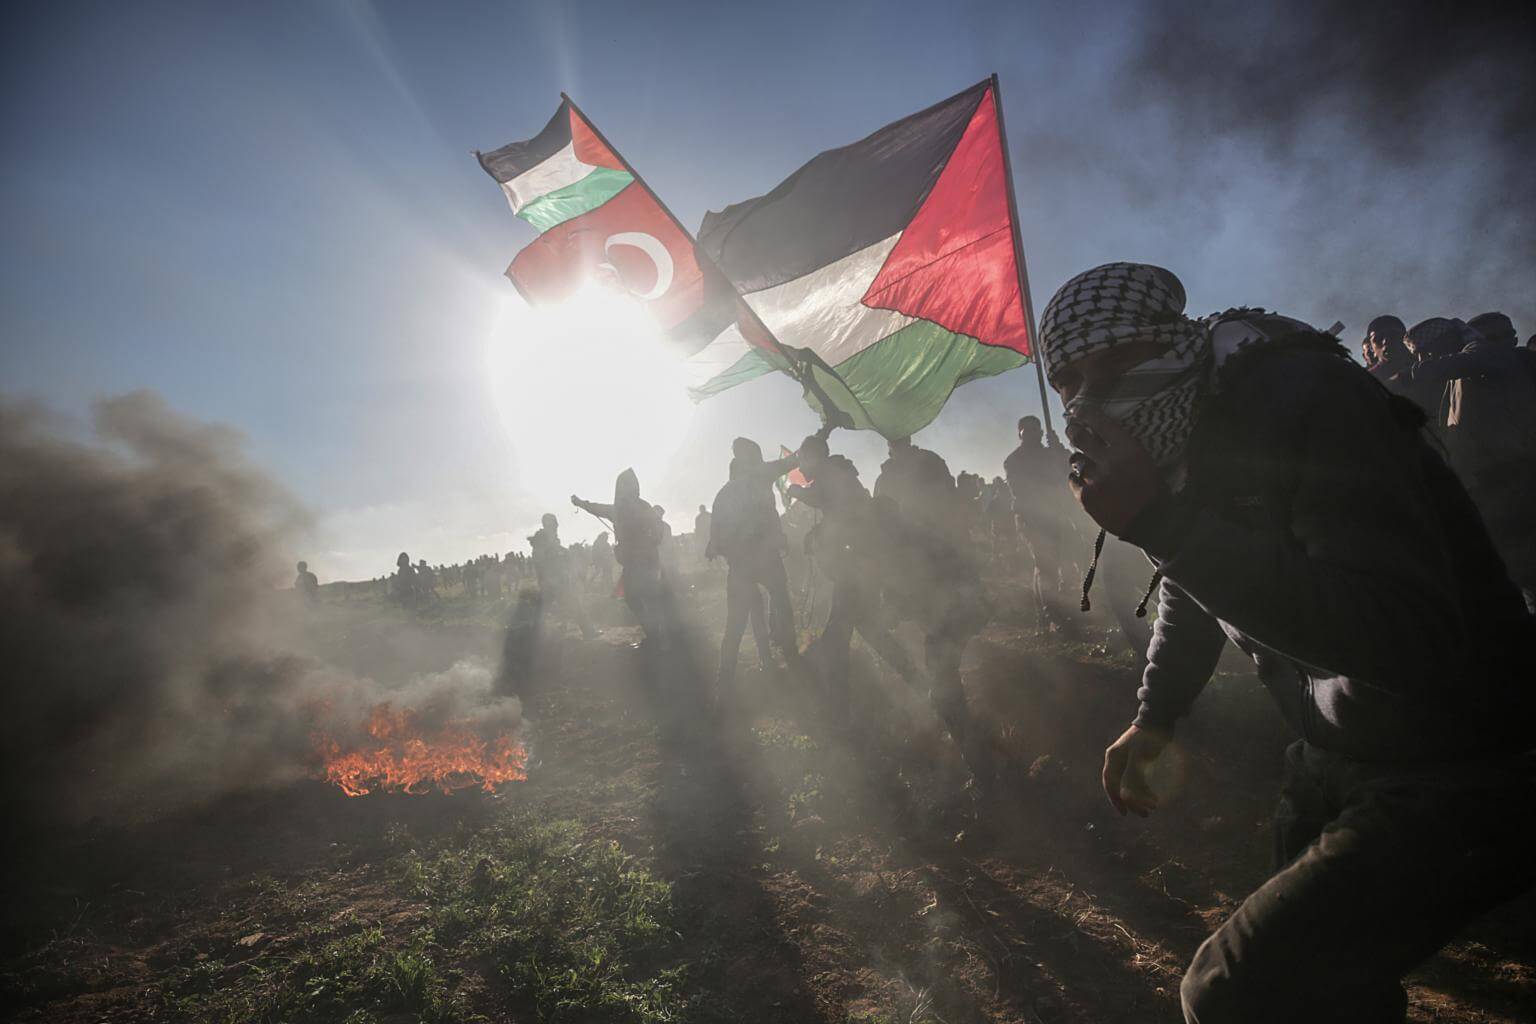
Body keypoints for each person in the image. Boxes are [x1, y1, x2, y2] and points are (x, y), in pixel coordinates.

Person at [1038, 261, 1536, 1024]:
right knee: (1332, 991)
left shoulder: (1303, 399)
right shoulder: (1193, 433)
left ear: (1174, 340)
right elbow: (1192, 588)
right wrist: (1156, 714)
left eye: (1117, 362)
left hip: (1466, 754)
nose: (1088, 399)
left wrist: (1161, 526)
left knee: (1236, 994)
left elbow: (1408, 639)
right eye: (1068, 381)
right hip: (1335, 747)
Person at [1403, 312, 1536, 609]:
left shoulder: (1487, 355)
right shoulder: (1462, 375)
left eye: (1426, 351)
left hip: (1516, 475)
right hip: (1488, 483)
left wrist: (1412, 372)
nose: (1422, 359)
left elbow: (1433, 368)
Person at [706, 449, 799, 689]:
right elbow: (790, 462)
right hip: (766, 559)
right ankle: (792, 661)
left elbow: (714, 537)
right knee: (780, 605)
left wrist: (719, 549)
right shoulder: (758, 478)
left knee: (736, 623)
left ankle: (725, 681)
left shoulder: (723, 494)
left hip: (740, 565)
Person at [573, 470, 669, 649]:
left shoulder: (629, 508)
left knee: (639, 598)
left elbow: (658, 527)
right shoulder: (635, 507)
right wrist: (581, 503)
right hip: (641, 561)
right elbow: (598, 508)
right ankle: (656, 636)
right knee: (639, 598)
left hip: (641, 561)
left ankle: (656, 637)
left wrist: (651, 542)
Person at [1003, 415, 1073, 629]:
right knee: (1045, 564)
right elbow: (1022, 490)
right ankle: (1052, 614)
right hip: (1031, 518)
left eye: (1037, 430)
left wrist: (1058, 448)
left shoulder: (1049, 453)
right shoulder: (1014, 460)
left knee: (1047, 564)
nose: (1034, 434)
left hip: (1052, 515)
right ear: (1020, 434)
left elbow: (1068, 468)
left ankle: (1044, 611)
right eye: (1028, 430)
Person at [873, 435, 964, 548]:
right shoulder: (885, 476)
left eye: (894, 444)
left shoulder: (930, 462)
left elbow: (949, 492)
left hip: (936, 537)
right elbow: (880, 512)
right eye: (892, 445)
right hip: (906, 542)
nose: (890, 451)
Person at [528, 513, 596, 639]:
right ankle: (588, 631)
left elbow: (556, 553)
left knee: (547, 608)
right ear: (549, 524)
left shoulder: (549, 538)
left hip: (555, 579)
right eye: (555, 522)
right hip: (552, 580)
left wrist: (565, 553)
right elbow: (542, 559)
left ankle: (535, 635)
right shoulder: (542, 539)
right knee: (569, 604)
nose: (557, 525)